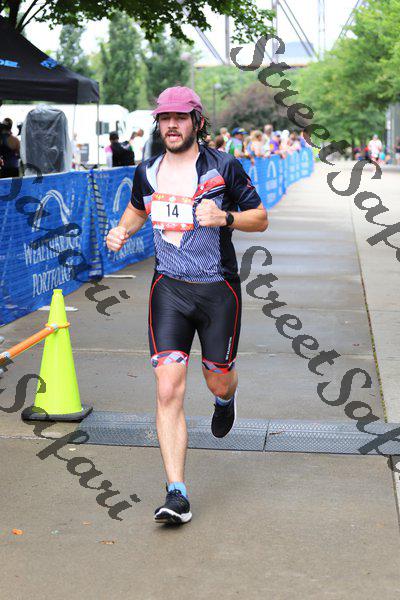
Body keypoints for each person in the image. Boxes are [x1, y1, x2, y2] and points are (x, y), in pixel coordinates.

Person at [106, 86, 268, 525]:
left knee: (218, 380)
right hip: (169, 291)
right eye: (164, 118)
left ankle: (225, 400)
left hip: (218, 290)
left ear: (197, 121)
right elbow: (138, 209)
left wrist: (225, 217)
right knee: (167, 388)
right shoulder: (147, 171)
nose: (171, 125)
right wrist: (122, 230)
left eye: (180, 117)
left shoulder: (223, 166)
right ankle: (176, 493)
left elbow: (260, 217)